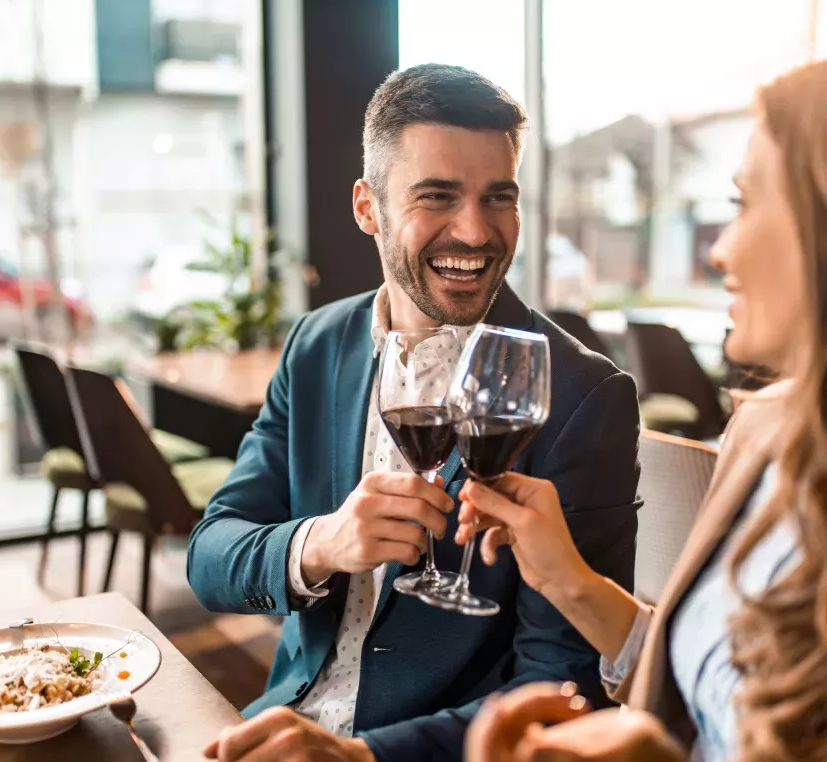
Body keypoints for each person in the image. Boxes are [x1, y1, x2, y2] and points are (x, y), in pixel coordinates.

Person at [459, 29, 827, 762]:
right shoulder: (767, 435)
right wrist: (565, 579)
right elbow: (707, 686)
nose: (718, 249)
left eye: (746, 202)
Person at [187, 64, 642, 762]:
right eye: (438, 196)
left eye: (498, 198)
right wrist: (321, 544)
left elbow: (562, 688)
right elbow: (212, 556)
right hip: (278, 721)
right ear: (368, 207)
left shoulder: (584, 397)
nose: (476, 231)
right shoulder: (316, 345)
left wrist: (360, 756)